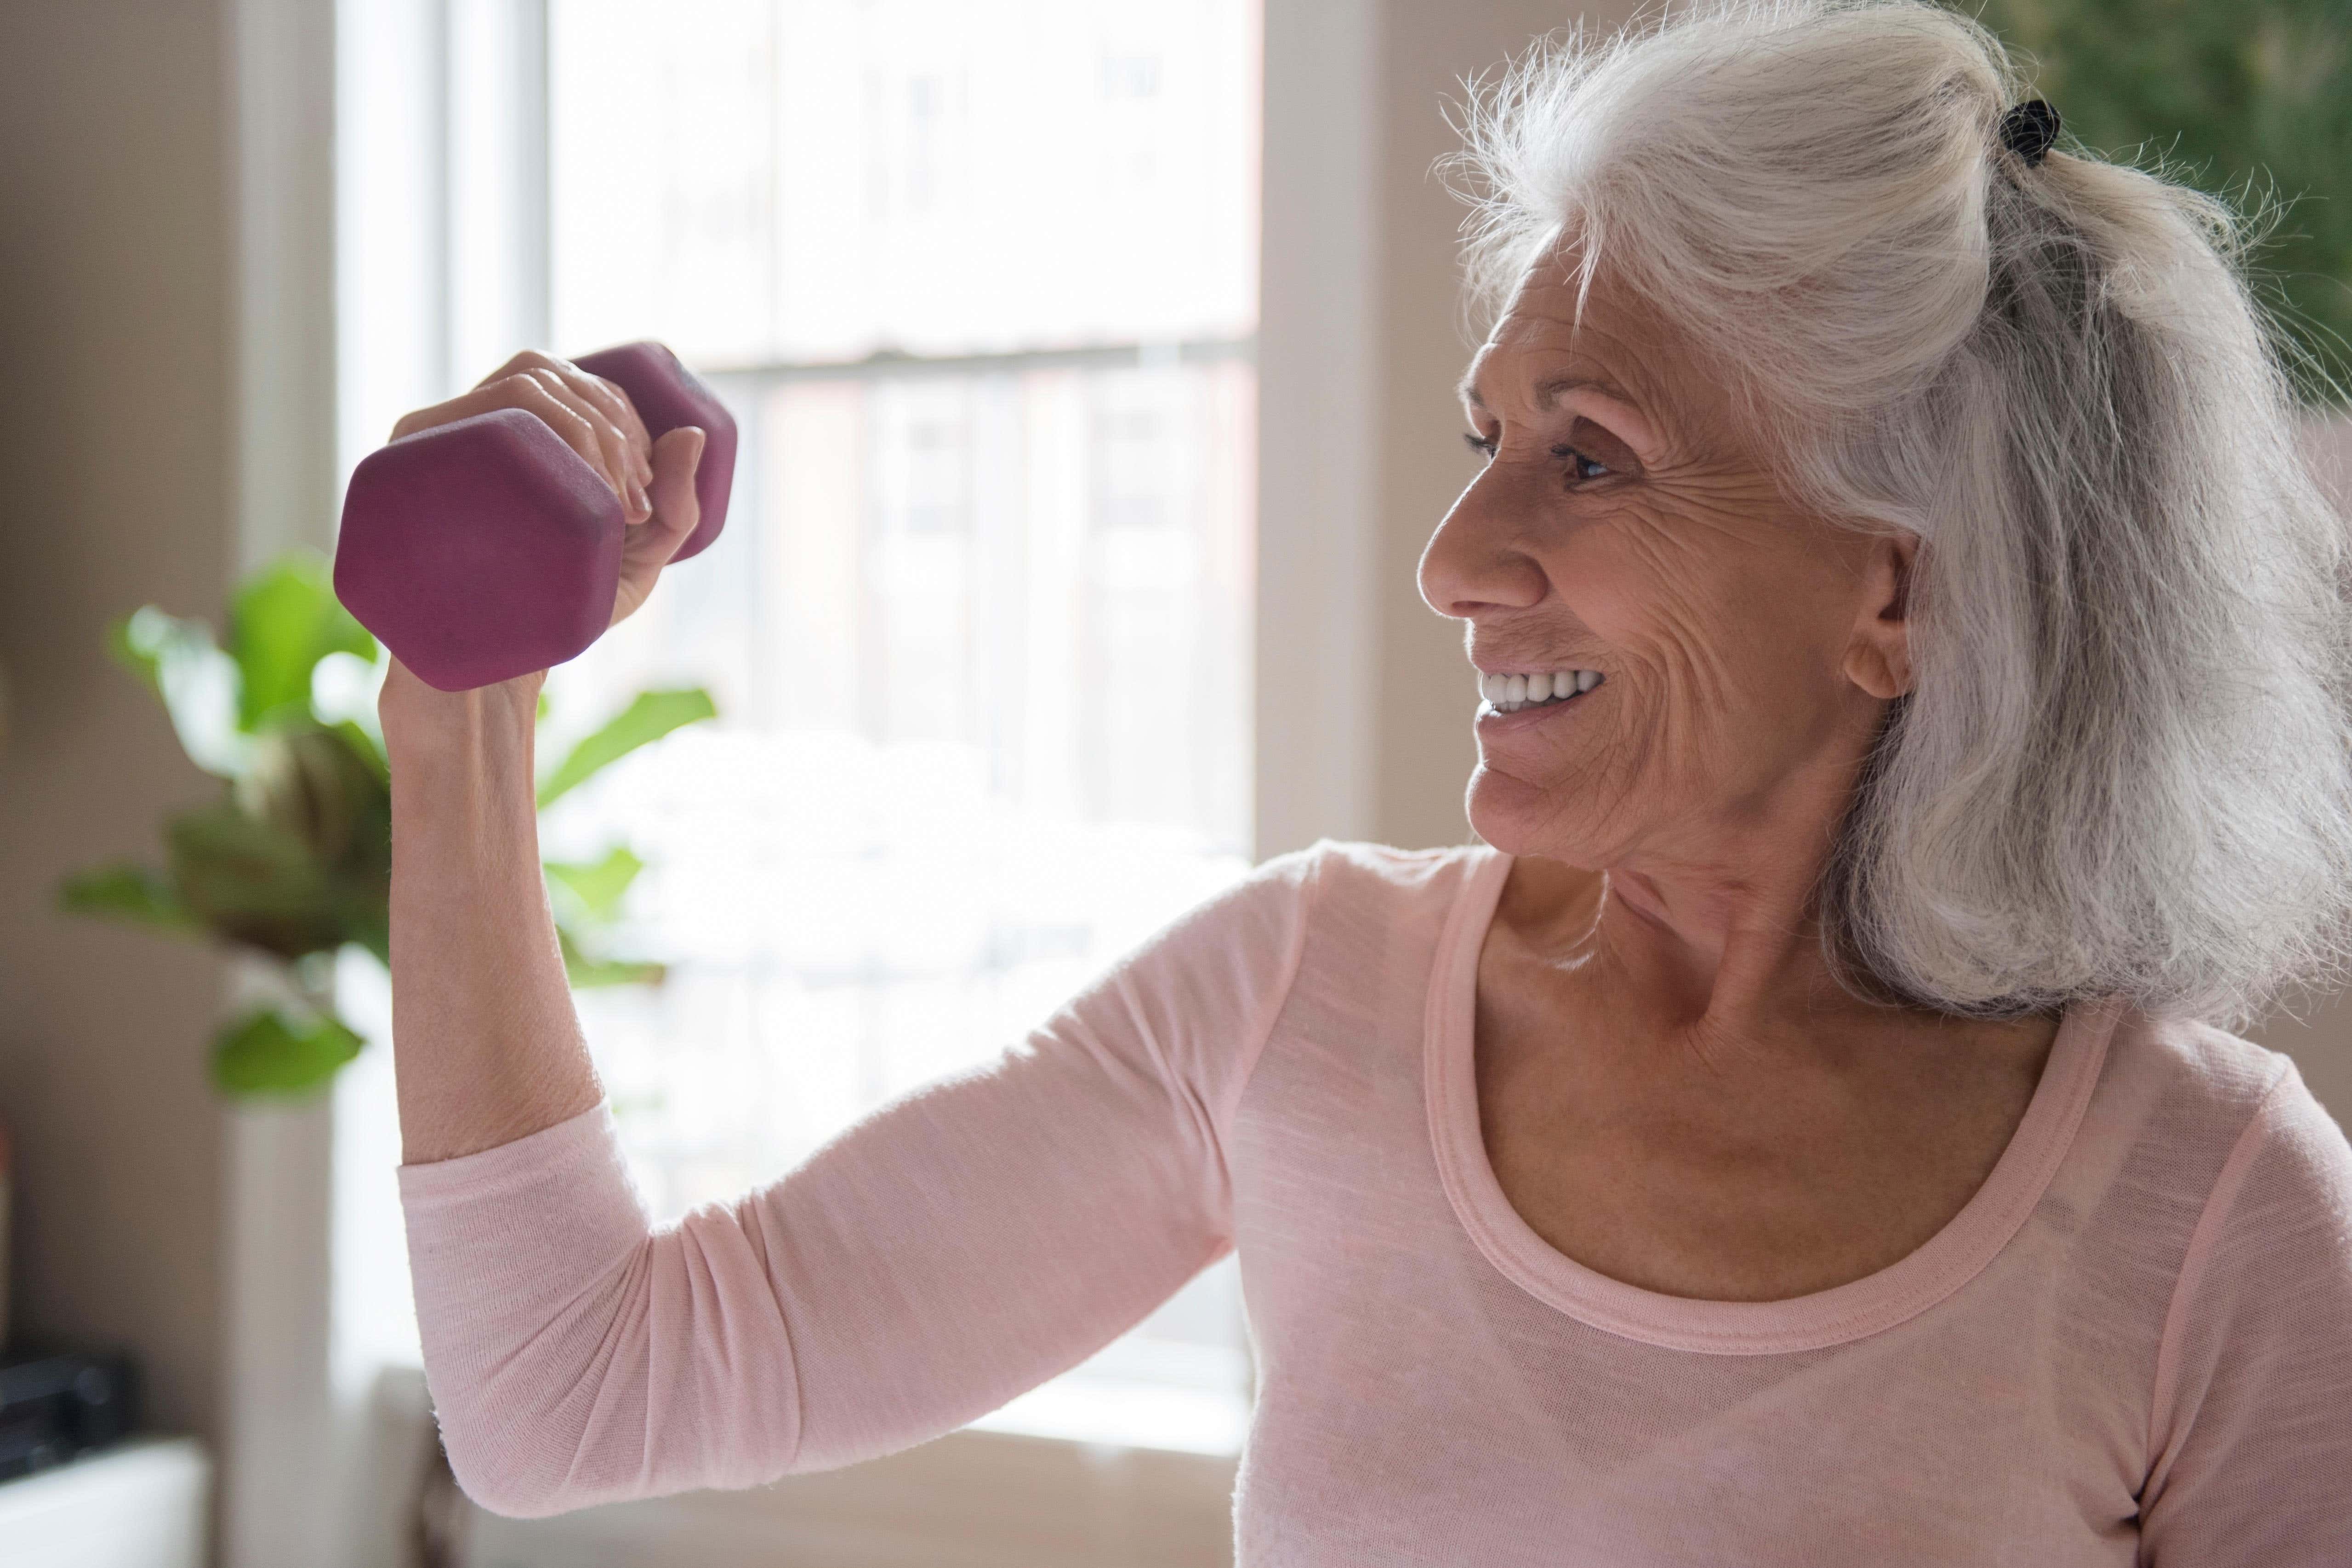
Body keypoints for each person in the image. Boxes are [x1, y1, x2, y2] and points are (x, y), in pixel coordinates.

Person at [385, 1, 2352, 1560]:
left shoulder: (2209, 1212)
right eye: (1483, 433)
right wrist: (458, 717)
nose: (1454, 559)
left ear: (1893, 587)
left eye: (1587, 457)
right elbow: (576, 1393)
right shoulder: (1299, 999)